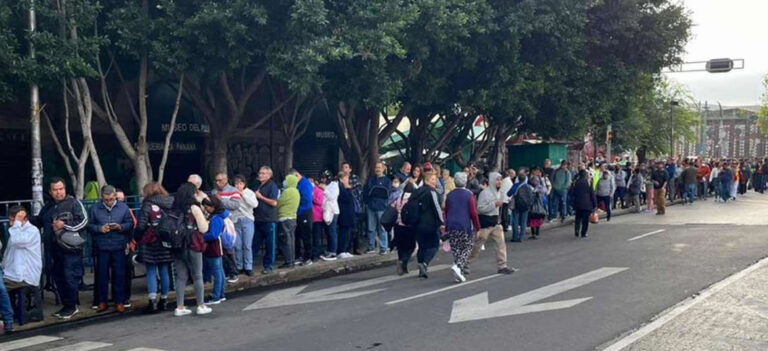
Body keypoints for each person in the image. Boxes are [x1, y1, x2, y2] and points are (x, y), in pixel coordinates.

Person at [31, 177, 88, 319]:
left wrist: (65, 226)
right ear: (50, 192)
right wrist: (24, 218)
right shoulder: (49, 206)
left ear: (65, 189)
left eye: (61, 189)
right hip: (54, 248)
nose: (58, 192)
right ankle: (66, 305)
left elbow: (84, 221)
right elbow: (39, 221)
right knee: (59, 277)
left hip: (71, 248)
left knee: (69, 277)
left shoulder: (74, 203)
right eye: (55, 190)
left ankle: (72, 306)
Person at [88, 185, 133, 313]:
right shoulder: (95, 208)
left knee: (119, 275)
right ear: (102, 197)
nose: (109, 202)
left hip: (119, 245)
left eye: (112, 199)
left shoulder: (123, 207)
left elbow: (130, 223)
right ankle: (102, 301)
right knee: (102, 275)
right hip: (102, 246)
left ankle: (119, 301)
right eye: (106, 200)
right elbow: (90, 225)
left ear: (115, 197)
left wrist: (121, 227)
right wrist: (99, 229)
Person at [1, 205, 43, 333]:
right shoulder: (16, 231)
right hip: (11, 272)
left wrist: (17, 223)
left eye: (12, 220)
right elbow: (8, 255)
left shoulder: (32, 231)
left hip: (24, 275)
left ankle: (7, 318)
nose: (10, 223)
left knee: (1, 288)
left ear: (21, 219)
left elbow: (17, 241)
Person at [171, 183, 211, 317]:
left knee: (181, 276)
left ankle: (180, 306)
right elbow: (203, 228)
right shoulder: (194, 208)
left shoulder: (174, 208)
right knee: (197, 275)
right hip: (192, 243)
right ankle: (200, 305)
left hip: (177, 245)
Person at [135, 182, 175, 313]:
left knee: (151, 270)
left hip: (150, 240)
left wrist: (138, 238)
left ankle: (152, 300)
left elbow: (141, 225)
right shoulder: (170, 202)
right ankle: (164, 299)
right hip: (165, 240)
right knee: (164, 268)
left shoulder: (147, 205)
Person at [472, 172, 516, 274]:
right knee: (477, 245)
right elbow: (480, 209)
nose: (499, 182)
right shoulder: (485, 193)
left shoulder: (500, 192)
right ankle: (465, 262)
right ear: (492, 181)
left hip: (496, 223)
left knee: (501, 244)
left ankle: (502, 265)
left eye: (500, 179)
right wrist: (494, 204)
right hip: (485, 224)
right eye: (497, 180)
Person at [443, 172, 480, 283]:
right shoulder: (469, 195)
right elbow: (473, 213)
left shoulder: (450, 195)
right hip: (464, 225)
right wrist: (478, 227)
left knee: (456, 248)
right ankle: (458, 266)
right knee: (468, 246)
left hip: (451, 225)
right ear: (465, 182)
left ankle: (458, 270)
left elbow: (446, 211)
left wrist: (446, 226)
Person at [412, 173, 443, 278]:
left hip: (417, 223)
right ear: (427, 180)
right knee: (434, 245)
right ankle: (424, 263)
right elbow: (437, 208)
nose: (435, 181)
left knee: (422, 246)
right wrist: (442, 222)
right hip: (430, 223)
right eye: (433, 179)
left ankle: (420, 264)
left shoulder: (416, 191)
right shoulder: (431, 192)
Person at [201, 196, 229, 305]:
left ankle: (216, 296)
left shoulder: (216, 218)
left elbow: (213, 235)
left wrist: (202, 236)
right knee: (220, 271)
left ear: (213, 207)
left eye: (206, 207)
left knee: (217, 272)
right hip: (218, 246)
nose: (205, 209)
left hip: (214, 247)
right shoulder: (219, 216)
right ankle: (220, 294)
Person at [253, 166, 279, 274]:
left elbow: (274, 202)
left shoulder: (272, 186)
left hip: (268, 219)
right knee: (255, 244)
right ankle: (249, 265)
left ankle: (269, 266)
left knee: (270, 245)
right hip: (258, 219)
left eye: (263, 173)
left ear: (269, 175)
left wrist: (261, 197)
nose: (261, 175)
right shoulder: (258, 185)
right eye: (260, 173)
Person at [231, 175, 258, 277]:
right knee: (237, 245)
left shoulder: (249, 192)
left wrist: (242, 195)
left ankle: (248, 266)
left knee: (247, 245)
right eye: (236, 184)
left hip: (247, 219)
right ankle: (239, 266)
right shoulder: (232, 193)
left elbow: (255, 204)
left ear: (244, 184)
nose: (238, 186)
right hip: (236, 220)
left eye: (240, 183)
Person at [364, 162, 392, 254]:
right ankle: (371, 247)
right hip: (371, 206)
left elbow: (386, 193)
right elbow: (367, 192)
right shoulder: (370, 180)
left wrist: (375, 191)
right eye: (376, 167)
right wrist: (367, 202)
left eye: (379, 167)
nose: (377, 169)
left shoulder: (387, 181)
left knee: (382, 228)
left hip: (381, 207)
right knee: (370, 228)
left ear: (383, 168)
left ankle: (383, 248)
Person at [289, 170, 315, 266]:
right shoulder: (299, 184)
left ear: (296, 175)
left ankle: (308, 257)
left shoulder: (305, 184)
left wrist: (297, 211)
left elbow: (307, 200)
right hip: (299, 212)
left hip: (304, 212)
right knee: (297, 235)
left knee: (306, 235)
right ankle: (299, 256)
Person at [392, 183, 417, 275]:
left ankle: (402, 264)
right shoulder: (412, 200)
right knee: (411, 247)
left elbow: (393, 207)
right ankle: (403, 261)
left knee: (401, 247)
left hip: (398, 225)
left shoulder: (399, 198)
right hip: (409, 226)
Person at [277, 174, 300, 268]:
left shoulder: (287, 191)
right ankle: (292, 260)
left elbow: (279, 203)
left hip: (284, 217)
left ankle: (288, 261)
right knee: (291, 240)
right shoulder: (296, 191)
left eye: (286, 180)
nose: (284, 182)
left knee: (285, 241)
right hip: (293, 218)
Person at [571, 170, 597, 238]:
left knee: (578, 218)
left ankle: (577, 230)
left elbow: (573, 192)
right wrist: (595, 204)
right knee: (585, 220)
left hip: (578, 203)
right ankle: (583, 233)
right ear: (585, 175)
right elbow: (592, 194)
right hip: (587, 203)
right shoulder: (589, 182)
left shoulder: (576, 182)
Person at [508, 174, 533, 243]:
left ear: (518, 179)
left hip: (516, 205)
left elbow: (508, 194)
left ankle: (515, 236)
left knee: (515, 221)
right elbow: (532, 196)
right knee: (523, 221)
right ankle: (521, 237)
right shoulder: (528, 186)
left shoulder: (515, 185)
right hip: (525, 206)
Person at [321, 173, 340, 261]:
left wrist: (325, 189)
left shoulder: (334, 185)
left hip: (332, 211)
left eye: (324, 178)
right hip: (326, 211)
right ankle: (329, 250)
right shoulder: (327, 185)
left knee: (332, 232)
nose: (322, 180)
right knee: (328, 232)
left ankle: (333, 252)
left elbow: (332, 197)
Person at [336, 172, 356, 259]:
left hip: (349, 213)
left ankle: (346, 249)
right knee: (343, 232)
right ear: (341, 179)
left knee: (348, 232)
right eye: (346, 178)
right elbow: (347, 198)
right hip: (344, 213)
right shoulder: (340, 187)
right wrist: (348, 188)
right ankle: (341, 250)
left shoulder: (343, 187)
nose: (348, 180)